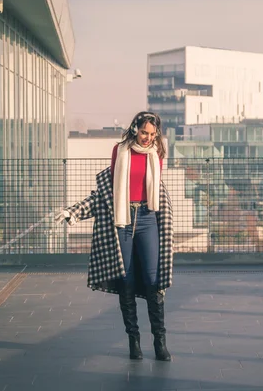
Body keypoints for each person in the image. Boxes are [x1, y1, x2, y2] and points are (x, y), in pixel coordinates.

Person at [55, 111, 174, 361]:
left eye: (152, 134)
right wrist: (73, 211)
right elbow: (107, 193)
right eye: (144, 132)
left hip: (147, 217)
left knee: (154, 281)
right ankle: (134, 340)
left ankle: (160, 341)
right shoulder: (120, 151)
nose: (147, 138)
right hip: (122, 219)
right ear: (134, 129)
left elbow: (155, 189)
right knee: (126, 280)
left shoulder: (157, 154)